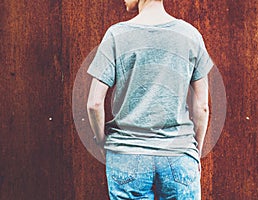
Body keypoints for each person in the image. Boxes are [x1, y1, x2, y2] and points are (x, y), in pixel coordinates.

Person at [86, 0, 214, 199]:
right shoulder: (191, 35)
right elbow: (203, 107)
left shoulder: (116, 35)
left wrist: (103, 144)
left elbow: (94, 103)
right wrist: (194, 151)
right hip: (179, 152)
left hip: (127, 154)